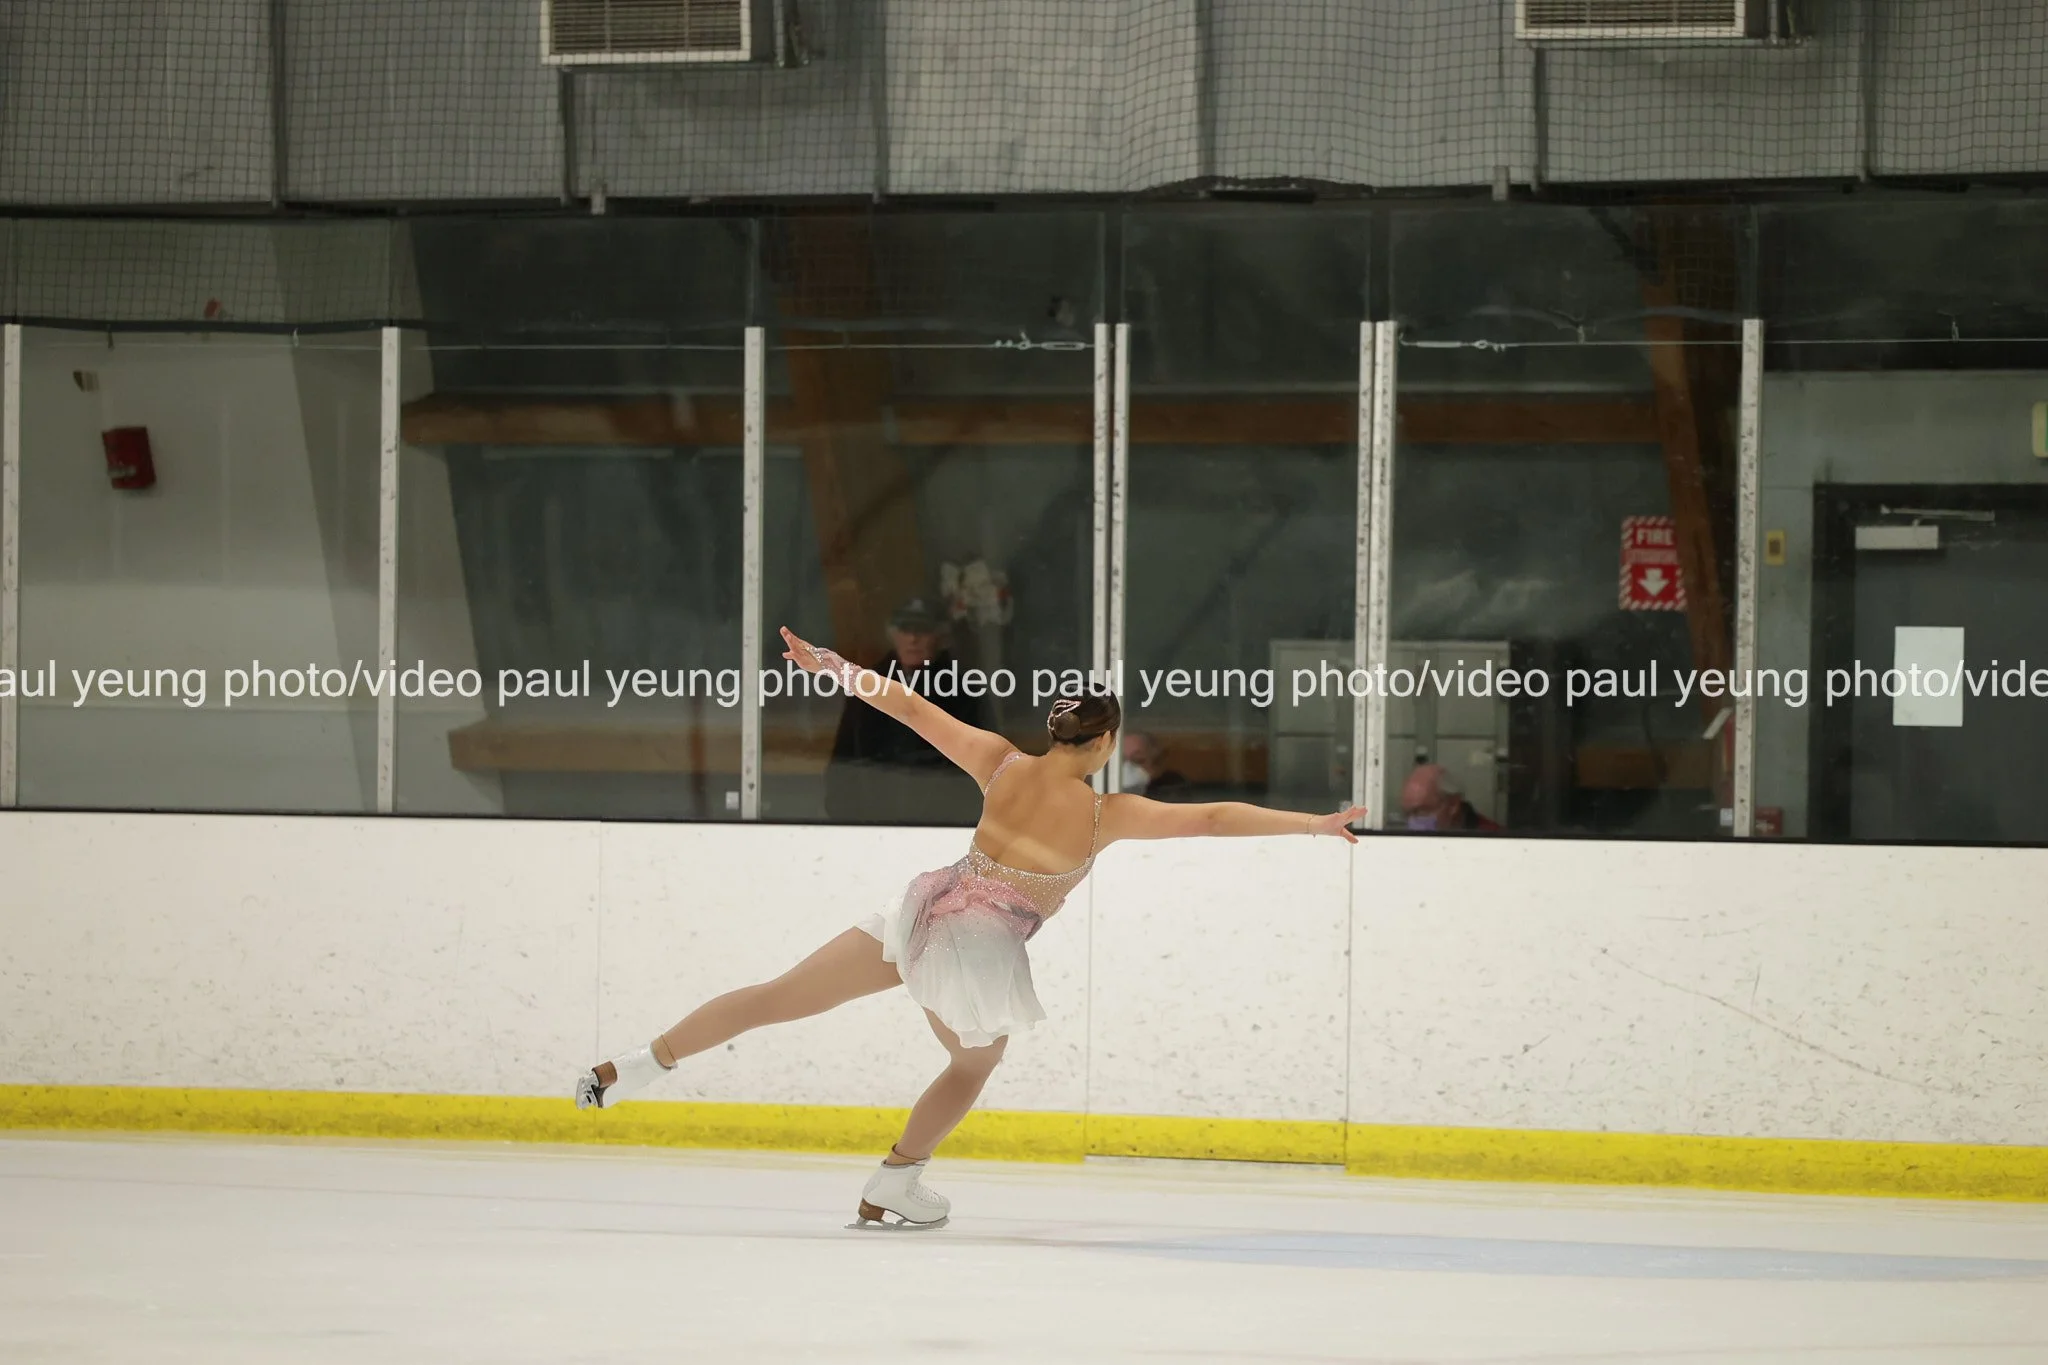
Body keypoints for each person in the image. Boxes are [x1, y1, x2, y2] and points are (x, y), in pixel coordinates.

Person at [576, 624, 1367, 1230]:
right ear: (1102, 742)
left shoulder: (1000, 760)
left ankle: (639, 1063)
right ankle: (895, 1179)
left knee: (777, 996)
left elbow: (909, 705)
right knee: (974, 1062)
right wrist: (1313, 823)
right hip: (976, 948)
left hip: (923, 910)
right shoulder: (1108, 814)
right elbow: (1214, 818)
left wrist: (834, 666)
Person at [823, 598, 988, 825]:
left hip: (944, 824)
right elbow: (845, 758)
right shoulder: (867, 687)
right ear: (892, 634)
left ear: (939, 635)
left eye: (922, 630)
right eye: (905, 629)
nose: (912, 639)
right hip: (873, 823)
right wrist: (849, 821)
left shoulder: (964, 691)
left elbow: (980, 762)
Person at [1399, 762, 1499, 832]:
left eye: (1421, 812)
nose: (1411, 822)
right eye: (1407, 814)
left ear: (1453, 804)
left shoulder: (1493, 839)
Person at [1120, 731, 1190, 800]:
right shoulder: (1115, 790)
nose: (1128, 768)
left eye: (1138, 760)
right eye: (1122, 761)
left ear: (1158, 761)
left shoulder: (1176, 790)